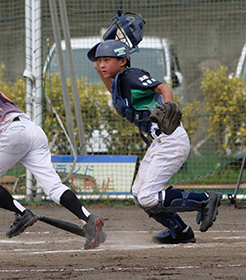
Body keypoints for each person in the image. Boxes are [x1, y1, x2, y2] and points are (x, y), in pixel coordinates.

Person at [0, 55, 105, 249]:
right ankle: (89, 220)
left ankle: (22, 214)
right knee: (53, 187)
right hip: (32, 132)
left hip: (16, 133)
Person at [87, 39, 222, 244]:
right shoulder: (118, 85)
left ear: (123, 61)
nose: (102, 64)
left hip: (171, 139)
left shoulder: (131, 76)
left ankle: (204, 199)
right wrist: (107, 43)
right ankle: (180, 230)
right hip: (159, 142)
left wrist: (169, 107)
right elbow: (101, 71)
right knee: (138, 194)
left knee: (148, 197)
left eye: (107, 59)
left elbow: (163, 87)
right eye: (100, 60)